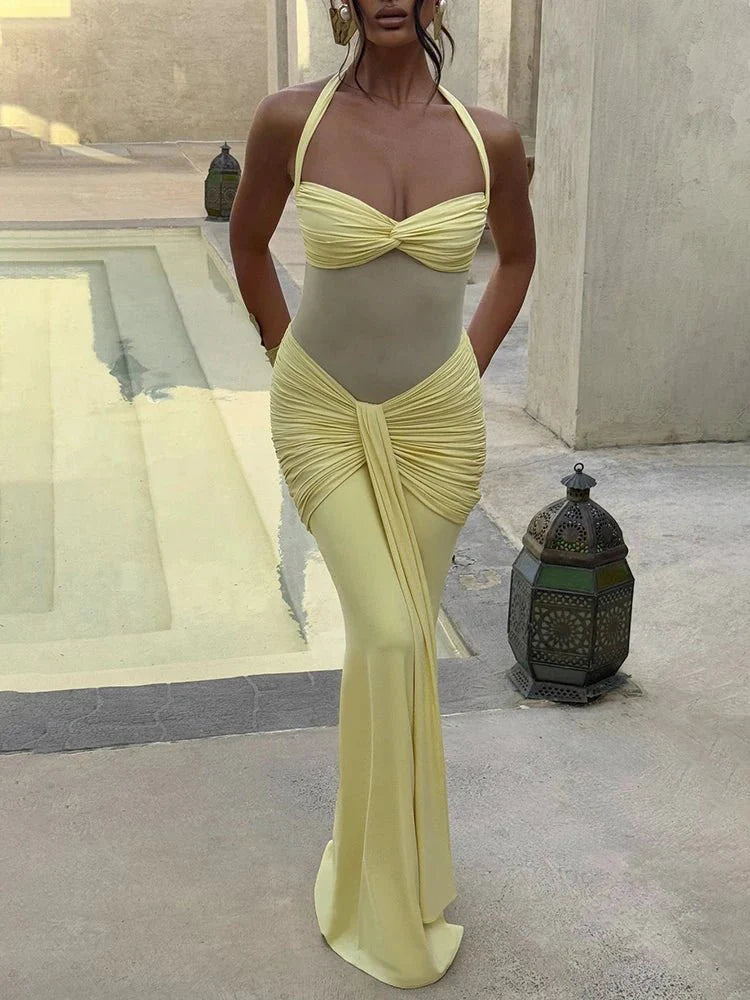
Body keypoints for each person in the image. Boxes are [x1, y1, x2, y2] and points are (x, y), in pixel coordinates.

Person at [229, 0, 535, 986]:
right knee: (397, 635)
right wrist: (285, 359)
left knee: (388, 645)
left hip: (438, 429)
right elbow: (248, 245)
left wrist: (467, 367)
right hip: (322, 418)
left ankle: (383, 873)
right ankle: (386, 895)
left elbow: (518, 257)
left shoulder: (490, 140)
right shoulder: (292, 119)